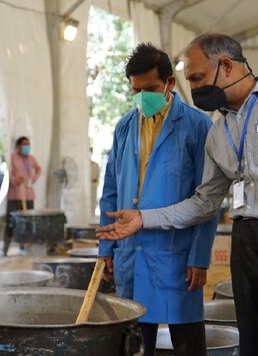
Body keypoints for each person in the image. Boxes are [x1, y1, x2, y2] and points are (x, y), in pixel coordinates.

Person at [97, 34, 258, 356]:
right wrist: (143, 218)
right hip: (247, 238)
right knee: (255, 340)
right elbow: (203, 202)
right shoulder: (218, 133)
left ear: (226, 65)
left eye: (197, 78)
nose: (193, 89)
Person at [98, 43, 218, 356]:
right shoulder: (124, 127)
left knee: (187, 339)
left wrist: (199, 256)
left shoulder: (197, 126)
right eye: (134, 90)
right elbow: (111, 189)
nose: (141, 97)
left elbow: (207, 198)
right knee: (134, 339)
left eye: (149, 88)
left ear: (169, 83)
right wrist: (106, 247)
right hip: (131, 252)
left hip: (176, 254)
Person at [1, 136, 41, 256]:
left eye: (28, 144)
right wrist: (14, 180)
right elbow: (8, 173)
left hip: (28, 195)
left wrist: (33, 179)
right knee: (11, 222)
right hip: (15, 195)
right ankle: (5, 249)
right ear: (18, 146)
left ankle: (24, 247)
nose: (26, 147)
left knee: (27, 222)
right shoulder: (12, 158)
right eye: (24, 144)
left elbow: (38, 169)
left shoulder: (31, 159)